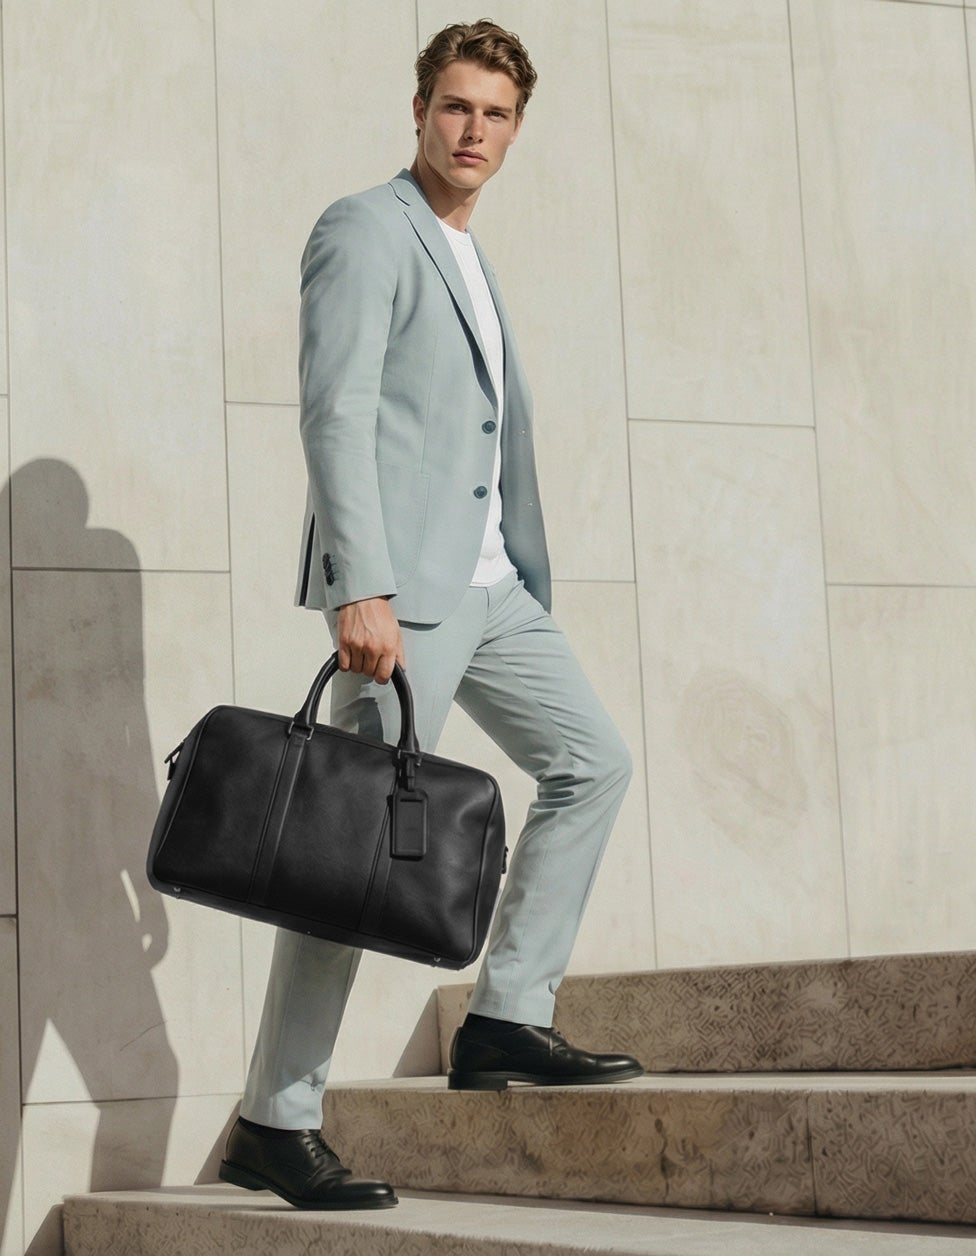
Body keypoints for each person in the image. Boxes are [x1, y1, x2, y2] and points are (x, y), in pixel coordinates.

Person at [216, 19, 643, 1212]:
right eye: (456, 107)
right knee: (349, 853)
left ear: (516, 128)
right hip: (404, 591)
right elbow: (335, 412)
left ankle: (507, 1013)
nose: (474, 132)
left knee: (593, 762)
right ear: (418, 111)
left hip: (496, 587)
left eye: (496, 115)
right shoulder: (365, 228)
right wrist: (362, 583)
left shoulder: (471, 254)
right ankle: (276, 1116)